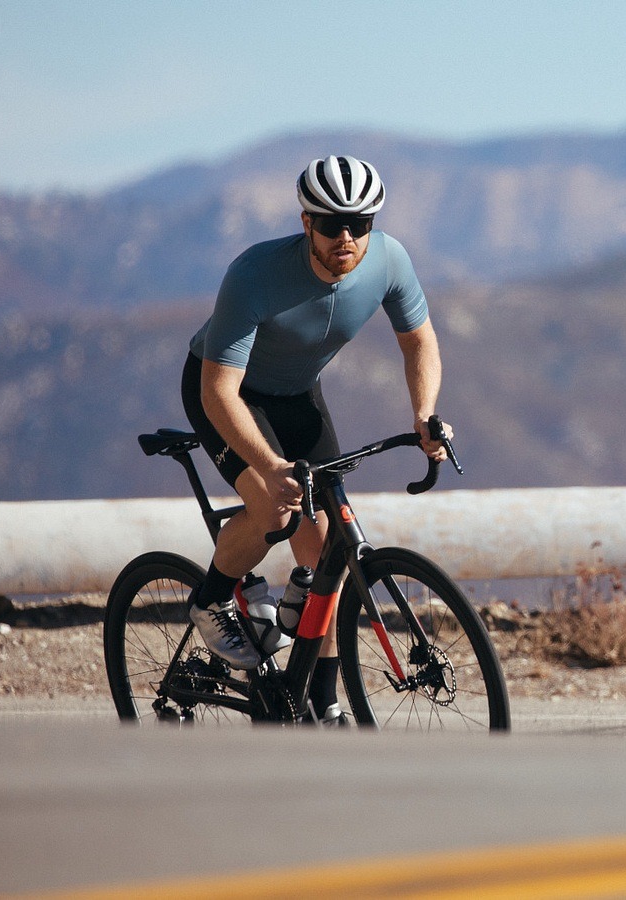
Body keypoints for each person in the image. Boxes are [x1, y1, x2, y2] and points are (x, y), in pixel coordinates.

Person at [180, 154, 448, 724]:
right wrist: (270, 466)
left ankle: (322, 702)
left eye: (359, 224)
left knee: (327, 550)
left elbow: (419, 341)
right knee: (274, 506)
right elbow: (218, 392)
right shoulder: (255, 274)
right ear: (307, 223)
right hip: (227, 392)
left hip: (299, 394)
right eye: (330, 224)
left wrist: (425, 414)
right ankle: (211, 598)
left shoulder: (389, 260)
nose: (345, 237)